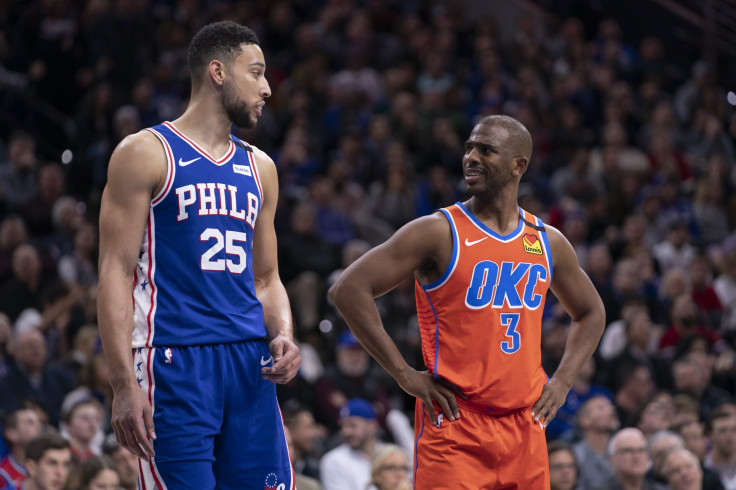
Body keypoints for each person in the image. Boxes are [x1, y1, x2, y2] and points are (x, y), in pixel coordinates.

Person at [329, 115, 605, 487]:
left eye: (485, 150)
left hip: (525, 425)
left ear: (517, 166)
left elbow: (591, 312)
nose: (470, 157)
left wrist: (563, 382)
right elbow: (348, 289)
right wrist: (404, 375)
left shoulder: (546, 240)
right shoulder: (438, 231)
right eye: (469, 148)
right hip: (457, 423)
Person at [96, 21, 301, 489]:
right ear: (218, 72)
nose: (267, 88)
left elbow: (266, 279)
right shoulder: (145, 153)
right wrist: (123, 384)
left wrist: (284, 335)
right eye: (257, 72)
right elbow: (114, 272)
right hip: (174, 362)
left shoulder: (261, 168)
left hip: (250, 366)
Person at [319, 398, 383, 490]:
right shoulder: (334, 460)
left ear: (372, 426)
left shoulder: (392, 456)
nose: (345, 432)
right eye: (342, 426)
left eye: (352, 425)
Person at [0, 407, 43, 489]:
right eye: (30, 422)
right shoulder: (3, 475)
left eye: (39, 421)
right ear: (12, 434)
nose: (39, 426)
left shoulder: (48, 468)